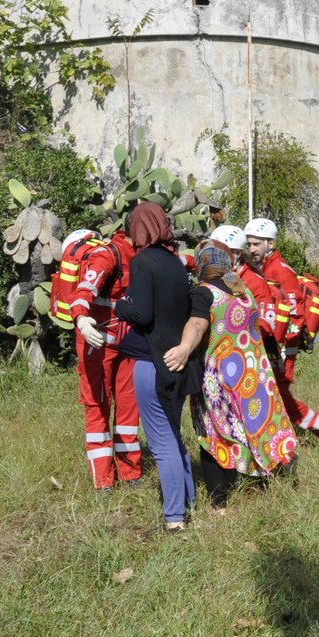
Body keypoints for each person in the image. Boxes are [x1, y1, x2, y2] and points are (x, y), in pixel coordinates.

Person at [114, 202, 208, 532]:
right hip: (179, 361)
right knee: (173, 434)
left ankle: (174, 519)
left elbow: (141, 314)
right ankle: (188, 500)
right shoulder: (173, 262)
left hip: (151, 362)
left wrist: (119, 304)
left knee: (160, 442)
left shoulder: (142, 261)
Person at [187, 242, 297, 513]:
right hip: (253, 372)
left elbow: (199, 327)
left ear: (201, 265)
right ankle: (268, 482)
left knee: (214, 436)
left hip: (219, 378)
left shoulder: (203, 293)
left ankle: (219, 502)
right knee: (256, 429)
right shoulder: (242, 290)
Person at [242, 217, 319, 444]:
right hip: (270, 343)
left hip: (283, 346)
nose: (252, 249)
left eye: (256, 244)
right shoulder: (260, 268)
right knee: (274, 394)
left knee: (278, 395)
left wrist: (280, 348)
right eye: (249, 244)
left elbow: (294, 312)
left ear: (271, 244)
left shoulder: (280, 270)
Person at [66, 225, 142, 490]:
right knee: (97, 407)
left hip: (128, 344)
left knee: (129, 409)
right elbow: (84, 290)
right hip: (95, 343)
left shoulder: (144, 254)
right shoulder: (108, 256)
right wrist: (81, 318)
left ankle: (130, 473)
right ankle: (103, 480)